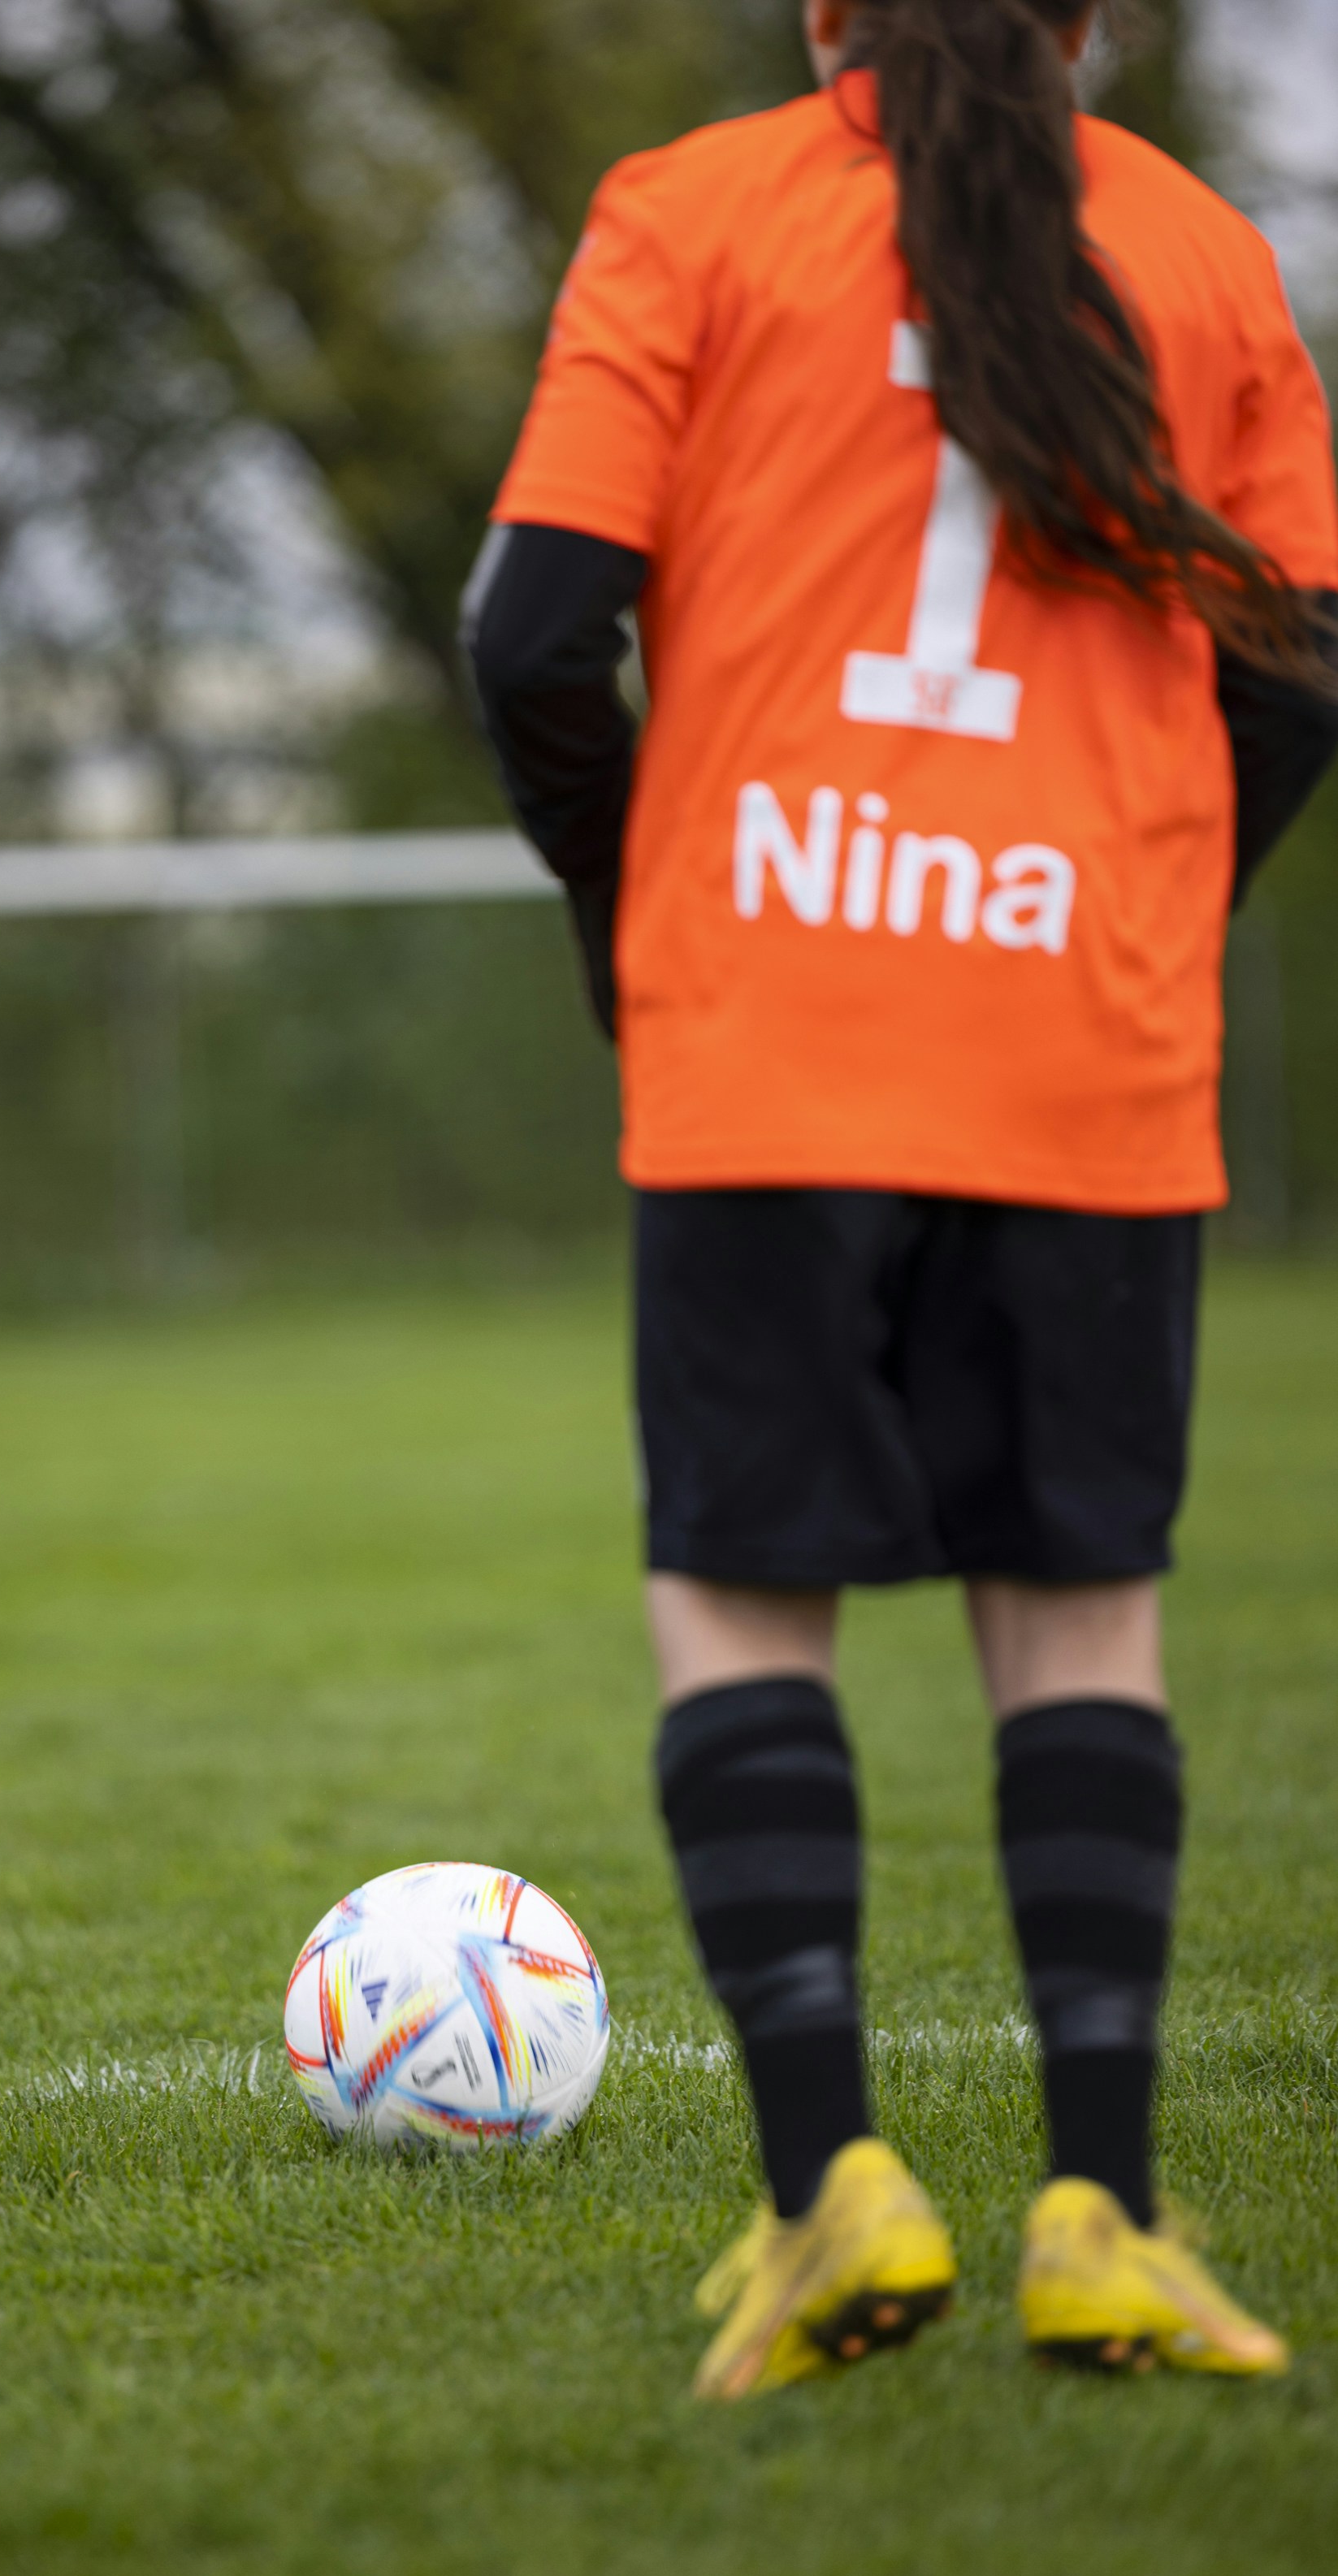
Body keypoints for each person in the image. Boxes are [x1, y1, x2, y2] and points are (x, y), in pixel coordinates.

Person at [464, 0, 1338, 2399]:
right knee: (1076, 1615)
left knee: (746, 1592)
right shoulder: (1204, 260)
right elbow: (1303, 669)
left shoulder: (694, 214)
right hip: (1081, 1031)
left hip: (774, 1018)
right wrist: (1146, 903)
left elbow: (534, 636)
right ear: (1098, 14)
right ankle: (1106, 2213)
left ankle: (829, 2184)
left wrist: (635, 907)